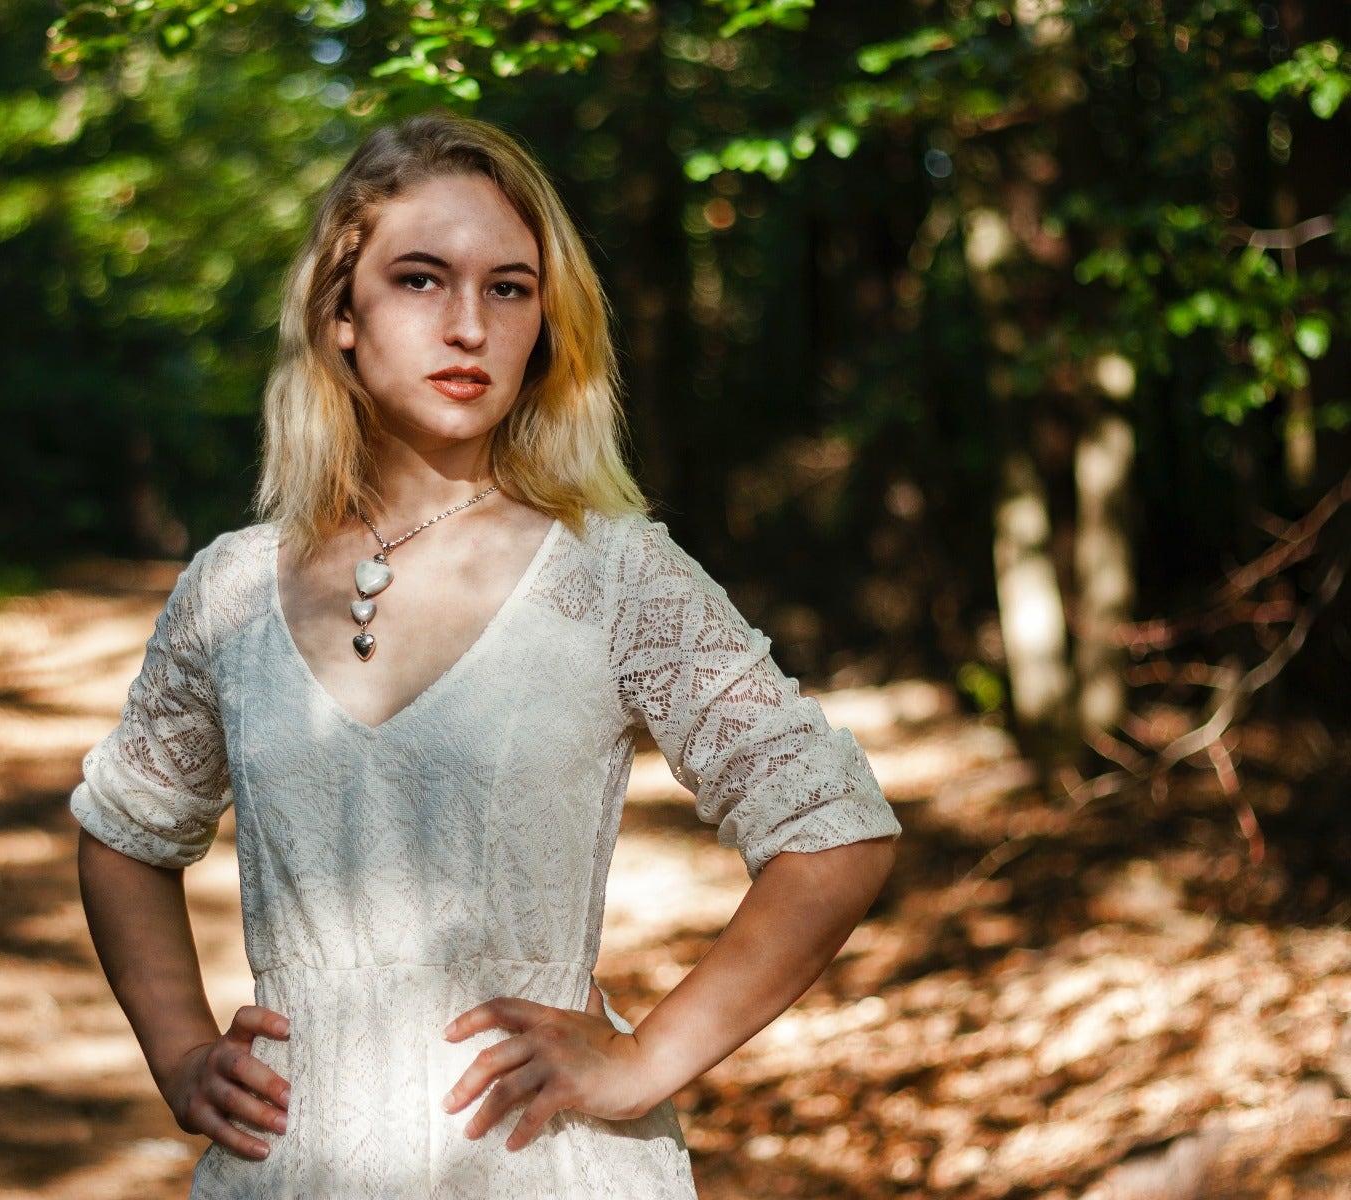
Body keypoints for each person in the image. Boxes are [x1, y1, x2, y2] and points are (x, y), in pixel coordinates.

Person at [70, 111, 902, 1199]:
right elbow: (124, 830)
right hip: (295, 1164)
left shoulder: (611, 574)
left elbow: (834, 831)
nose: (469, 323)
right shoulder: (231, 588)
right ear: (340, 318)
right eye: (421, 280)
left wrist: (649, 1056)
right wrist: (181, 1053)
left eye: (509, 288)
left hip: (536, 1163)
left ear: (544, 325)